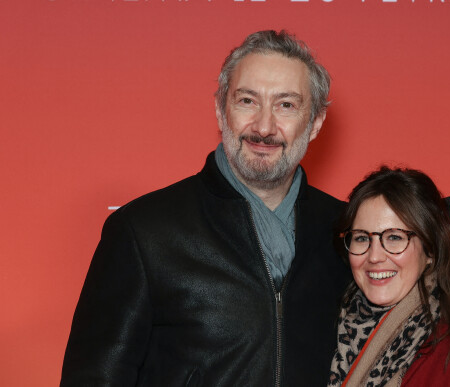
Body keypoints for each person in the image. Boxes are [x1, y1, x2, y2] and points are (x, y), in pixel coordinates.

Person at [61, 30, 351, 387]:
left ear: (315, 123)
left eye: (286, 105)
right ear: (220, 109)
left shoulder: (348, 233)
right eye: (247, 101)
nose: (263, 126)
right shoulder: (143, 232)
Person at [328, 166, 450, 387]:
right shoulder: (333, 337)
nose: (374, 256)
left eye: (394, 237)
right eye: (362, 238)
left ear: (430, 250)